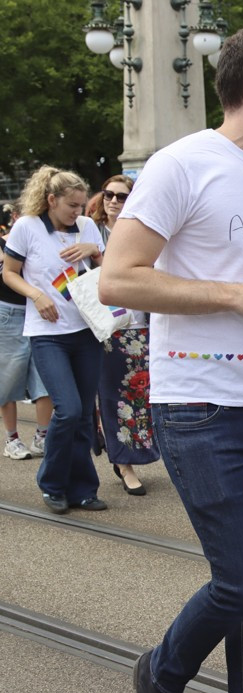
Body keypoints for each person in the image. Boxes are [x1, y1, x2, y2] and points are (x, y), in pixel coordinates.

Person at [99, 25, 243, 693]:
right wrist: (241, 297)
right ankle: (161, 673)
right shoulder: (181, 164)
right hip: (196, 409)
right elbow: (116, 280)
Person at [3, 167, 106, 513]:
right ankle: (52, 483)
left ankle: (82, 488)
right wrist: (35, 295)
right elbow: (9, 273)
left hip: (87, 330)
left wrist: (94, 248)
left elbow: (107, 268)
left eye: (81, 206)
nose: (79, 212)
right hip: (48, 334)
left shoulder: (87, 227)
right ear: (51, 200)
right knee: (68, 409)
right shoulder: (27, 227)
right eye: (72, 206)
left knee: (83, 416)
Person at [92, 174, 157, 495]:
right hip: (107, 330)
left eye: (122, 196)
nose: (115, 201)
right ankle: (123, 463)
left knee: (141, 397)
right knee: (113, 397)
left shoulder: (143, 233)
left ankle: (130, 454)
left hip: (142, 326)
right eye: (109, 195)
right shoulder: (91, 233)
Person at [1, 202, 53, 461]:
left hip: (41, 315)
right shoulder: (4, 245)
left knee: (45, 379)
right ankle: (11, 439)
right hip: (8, 315)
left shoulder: (46, 242)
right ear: (15, 217)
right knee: (8, 379)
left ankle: (42, 436)